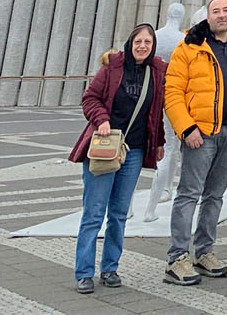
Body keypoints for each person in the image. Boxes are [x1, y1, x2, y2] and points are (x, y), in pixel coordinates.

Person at [163, 0, 227, 285]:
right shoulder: (189, 47)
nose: (221, 15)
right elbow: (172, 92)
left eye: (225, 10)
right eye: (216, 11)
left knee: (215, 195)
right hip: (200, 133)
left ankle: (204, 252)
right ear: (208, 16)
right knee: (188, 194)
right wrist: (186, 128)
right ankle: (176, 257)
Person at [69, 23, 166, 293]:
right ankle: (84, 272)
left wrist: (158, 142)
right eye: (138, 41)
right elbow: (90, 98)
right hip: (104, 146)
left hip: (133, 151)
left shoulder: (156, 72)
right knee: (94, 213)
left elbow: (156, 112)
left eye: (147, 42)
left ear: (152, 45)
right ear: (130, 42)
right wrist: (101, 119)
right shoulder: (112, 67)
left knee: (119, 214)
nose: (142, 46)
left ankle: (110, 268)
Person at [144, 2, 186, 222]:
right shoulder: (181, 40)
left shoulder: (156, 36)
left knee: (140, 148)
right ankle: (152, 206)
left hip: (150, 95)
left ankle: (166, 189)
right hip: (171, 96)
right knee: (169, 147)